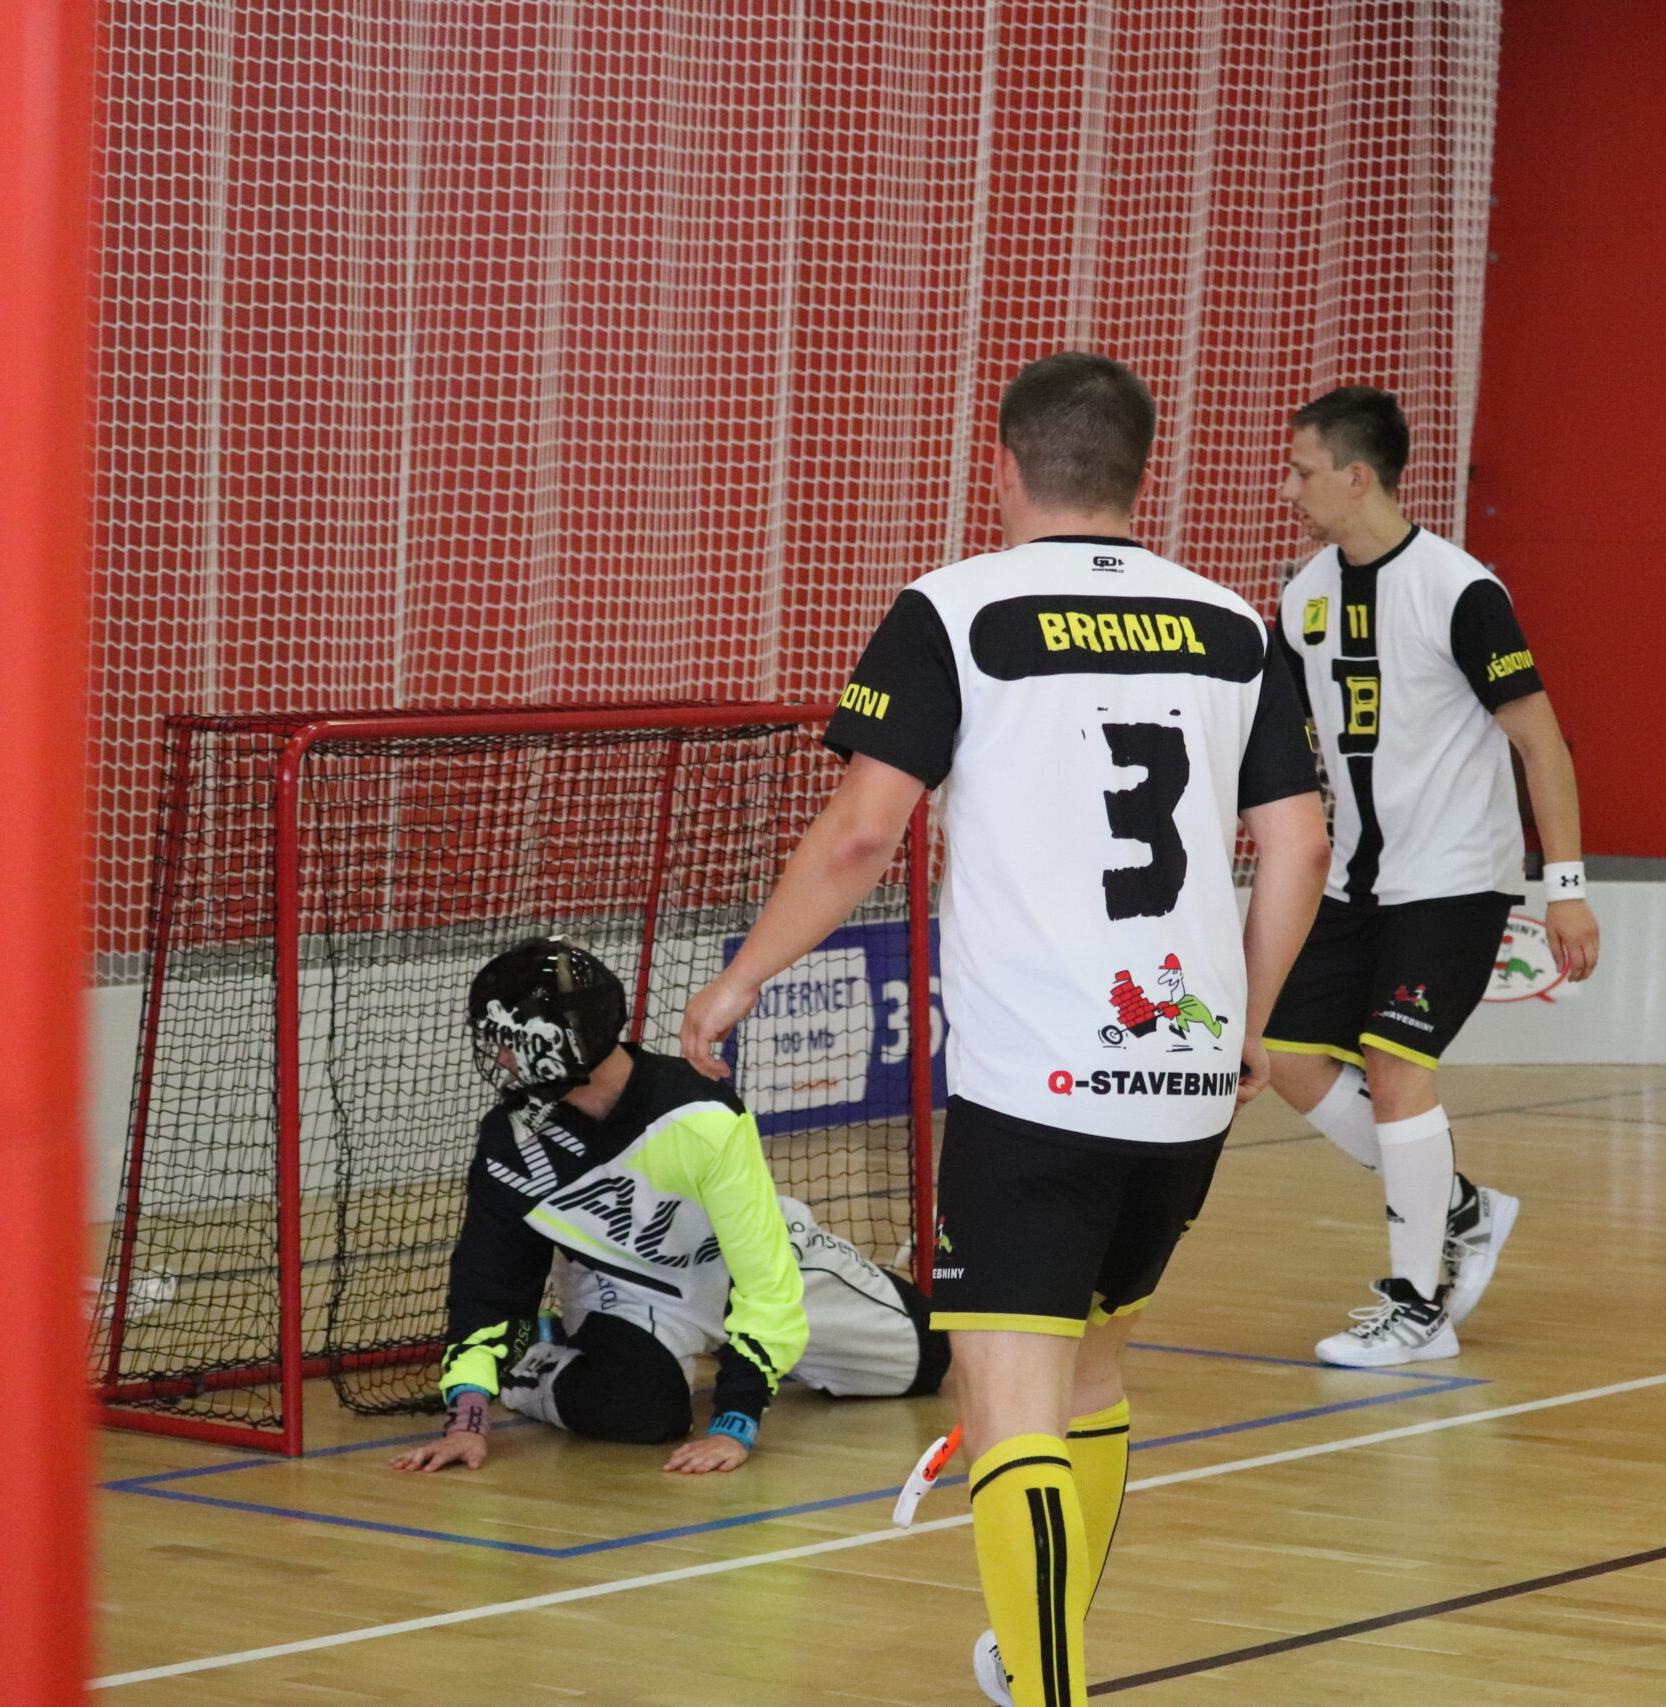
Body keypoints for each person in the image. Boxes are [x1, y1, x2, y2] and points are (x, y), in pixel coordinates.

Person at [680, 352, 1328, 1707]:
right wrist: (1253, 1026)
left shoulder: (952, 608)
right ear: (1143, 471)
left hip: (1035, 1081)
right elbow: (1298, 843)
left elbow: (860, 833)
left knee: (1007, 1394)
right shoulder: (1233, 622)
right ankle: (1036, 1650)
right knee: (1090, 1378)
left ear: (1002, 465)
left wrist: (738, 979)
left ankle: (1047, 1684)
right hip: (1184, 1075)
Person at [1263, 384, 1601, 1368]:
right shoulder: (1300, 597)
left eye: (1303, 472)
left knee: (1395, 1067)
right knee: (1284, 1053)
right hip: (1353, 883)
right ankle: (1459, 1207)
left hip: (1454, 878)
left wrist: (1566, 887)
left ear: (1357, 476)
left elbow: (1541, 743)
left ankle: (1418, 1308)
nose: (1289, 490)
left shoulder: (1460, 591)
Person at [389, 937, 948, 1477]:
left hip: (749, 1265)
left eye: (510, 1041)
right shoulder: (512, 1142)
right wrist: (468, 1417)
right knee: (645, 1414)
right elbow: (490, 1284)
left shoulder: (698, 1113)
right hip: (633, 1292)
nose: (501, 1058)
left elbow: (763, 1277)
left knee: (927, 1358)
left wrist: (736, 1421)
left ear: (560, 1041)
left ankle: (756, 1352)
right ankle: (533, 1358)